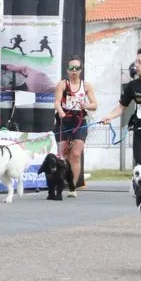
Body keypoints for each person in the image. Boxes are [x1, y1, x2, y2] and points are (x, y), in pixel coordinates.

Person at [53, 55, 97, 197]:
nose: (74, 71)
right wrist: (61, 112)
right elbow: (57, 102)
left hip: (79, 121)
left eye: (76, 68)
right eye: (71, 68)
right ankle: (62, 180)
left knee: (76, 154)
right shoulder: (62, 84)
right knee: (64, 154)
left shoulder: (86, 86)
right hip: (64, 120)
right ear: (67, 70)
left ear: (81, 70)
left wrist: (85, 105)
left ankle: (72, 187)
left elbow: (94, 105)